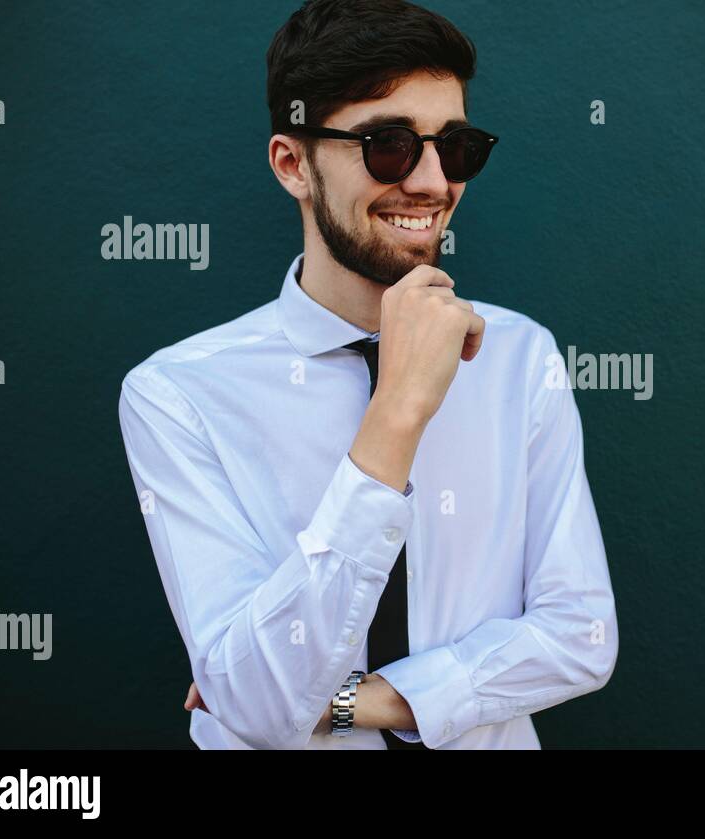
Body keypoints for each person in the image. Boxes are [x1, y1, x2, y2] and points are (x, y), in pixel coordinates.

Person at [117, 0, 618, 749]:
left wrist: (352, 700)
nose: (430, 181)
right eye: (388, 144)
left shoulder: (518, 356)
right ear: (294, 164)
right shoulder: (180, 395)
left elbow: (581, 635)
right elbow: (256, 707)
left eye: (456, 148)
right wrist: (397, 414)